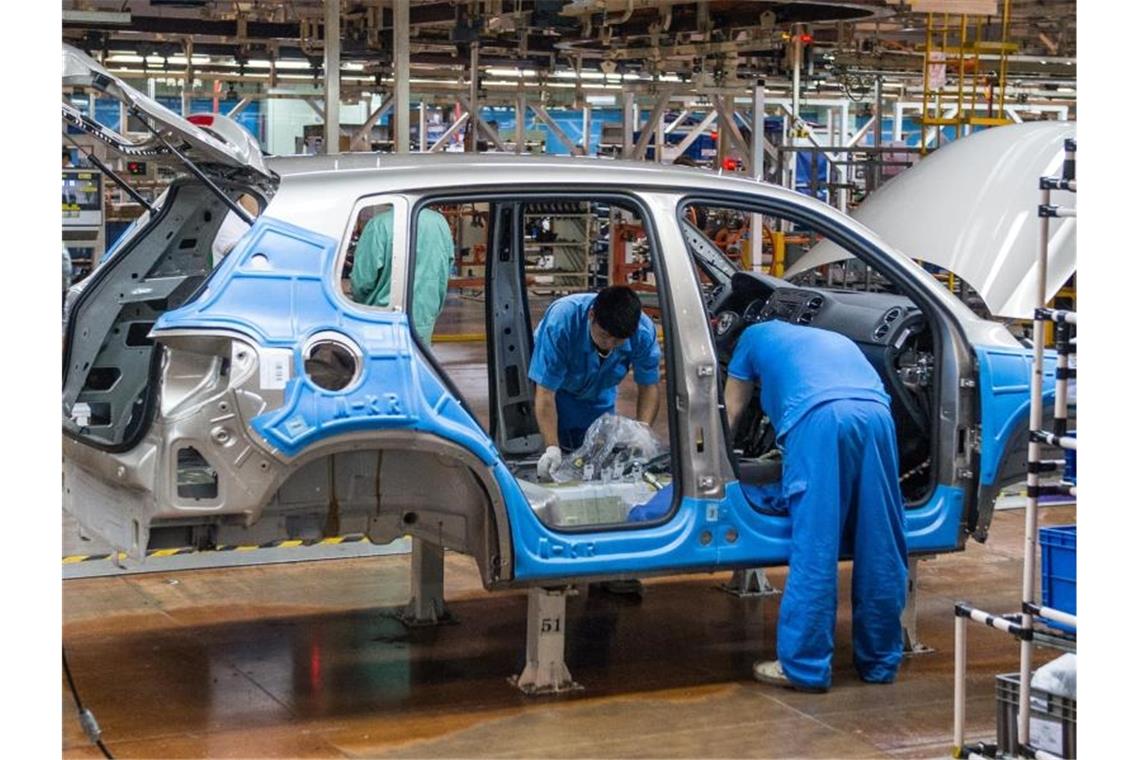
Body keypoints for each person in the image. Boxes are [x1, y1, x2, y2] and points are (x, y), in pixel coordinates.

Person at [723, 320, 908, 693]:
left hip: (820, 419)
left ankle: (804, 666)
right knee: (881, 542)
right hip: (878, 415)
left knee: (816, 545)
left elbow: (731, 409)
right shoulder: (826, 334)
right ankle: (881, 661)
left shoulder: (748, 339)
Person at [529, 286, 661, 480]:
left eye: (618, 341)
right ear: (592, 315)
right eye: (605, 336)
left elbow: (649, 386)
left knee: (595, 454)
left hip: (600, 393)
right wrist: (551, 447)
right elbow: (545, 392)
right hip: (558, 391)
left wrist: (642, 431)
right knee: (554, 455)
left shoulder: (642, 332)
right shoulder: (562, 322)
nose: (609, 344)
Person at [351, 206, 455, 342]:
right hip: (424, 315)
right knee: (417, 360)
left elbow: (362, 281)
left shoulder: (379, 225)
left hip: (382, 318)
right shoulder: (440, 223)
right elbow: (444, 271)